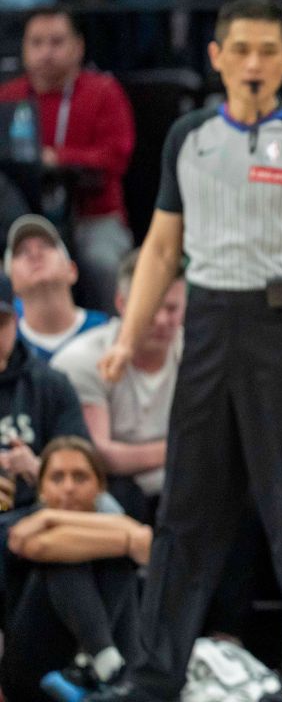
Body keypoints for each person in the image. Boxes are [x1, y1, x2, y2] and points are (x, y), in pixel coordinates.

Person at [89, 0, 282, 702]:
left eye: (266, 50)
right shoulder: (187, 135)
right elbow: (159, 246)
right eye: (239, 49)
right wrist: (126, 339)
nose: (252, 63)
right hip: (208, 324)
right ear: (215, 58)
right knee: (186, 508)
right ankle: (154, 675)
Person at [0, 5, 136, 310]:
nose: (46, 52)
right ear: (23, 49)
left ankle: (118, 337)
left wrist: (57, 158)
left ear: (78, 46)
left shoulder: (104, 91)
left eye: (56, 42)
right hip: (20, 219)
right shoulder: (7, 96)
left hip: (94, 215)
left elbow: (116, 156)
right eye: (36, 43)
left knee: (102, 263)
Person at [0, 436, 150, 700]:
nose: (68, 488)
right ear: (41, 488)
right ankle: (104, 662)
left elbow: (145, 542)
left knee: (112, 555)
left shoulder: (113, 521)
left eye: (80, 477)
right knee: (63, 554)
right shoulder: (17, 522)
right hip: (35, 670)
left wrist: (52, 517)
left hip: (116, 656)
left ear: (100, 486)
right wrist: (49, 517)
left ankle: (97, 666)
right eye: (57, 478)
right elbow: (37, 546)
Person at [51, 249, 185, 521]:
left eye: (171, 308)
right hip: (118, 491)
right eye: (151, 307)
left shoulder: (200, 353)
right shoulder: (83, 359)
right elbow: (100, 455)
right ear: (122, 303)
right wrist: (182, 448)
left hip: (184, 481)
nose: (161, 320)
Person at [0, 271, 89, 510]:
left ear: (15, 322)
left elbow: (85, 473)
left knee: (115, 502)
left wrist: (40, 470)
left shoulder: (51, 383)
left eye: (0, 322)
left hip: (46, 514)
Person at [6, 214, 109, 359]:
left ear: (72, 269)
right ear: (11, 282)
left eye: (46, 245)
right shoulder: (8, 347)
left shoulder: (106, 332)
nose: (35, 254)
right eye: (22, 251)